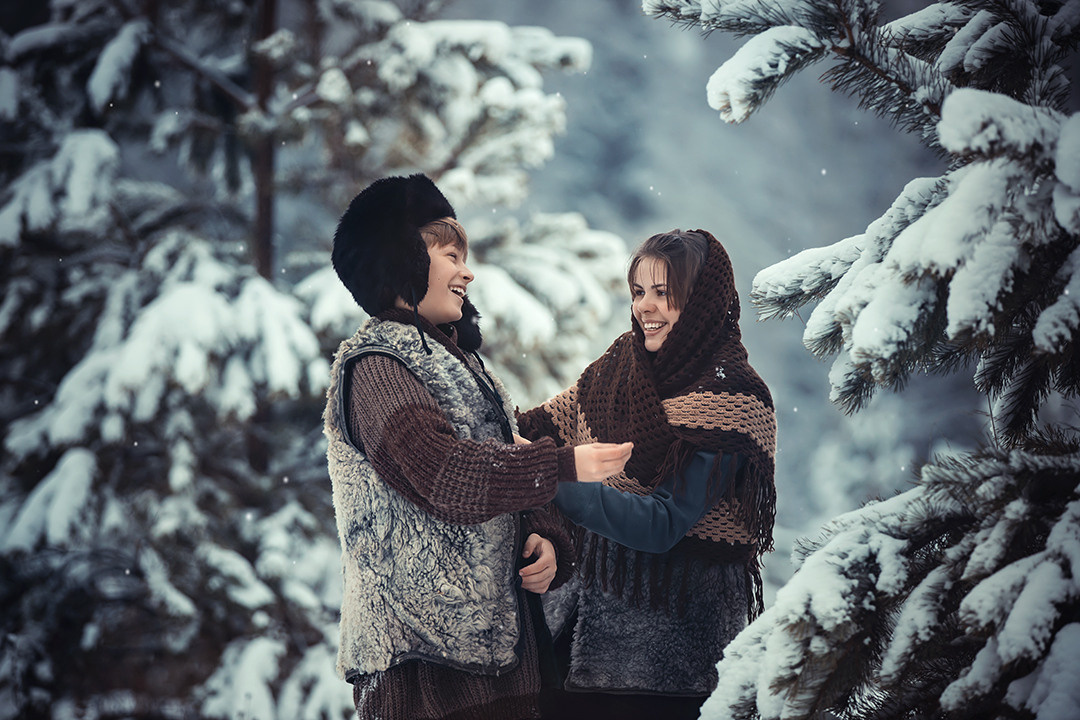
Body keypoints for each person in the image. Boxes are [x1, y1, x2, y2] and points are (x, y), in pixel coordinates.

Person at [323, 173, 633, 720]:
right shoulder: (377, 366)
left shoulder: (464, 368)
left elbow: (507, 475)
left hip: (498, 664)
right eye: (448, 254)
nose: (468, 270)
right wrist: (562, 464)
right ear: (402, 261)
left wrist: (548, 542)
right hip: (422, 674)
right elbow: (443, 474)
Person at [516, 229, 777, 720]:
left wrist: (550, 476)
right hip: (571, 641)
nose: (645, 307)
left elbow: (662, 524)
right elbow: (539, 425)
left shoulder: (734, 401)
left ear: (700, 300)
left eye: (664, 292)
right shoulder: (621, 363)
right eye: (639, 292)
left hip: (665, 663)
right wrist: (472, 411)